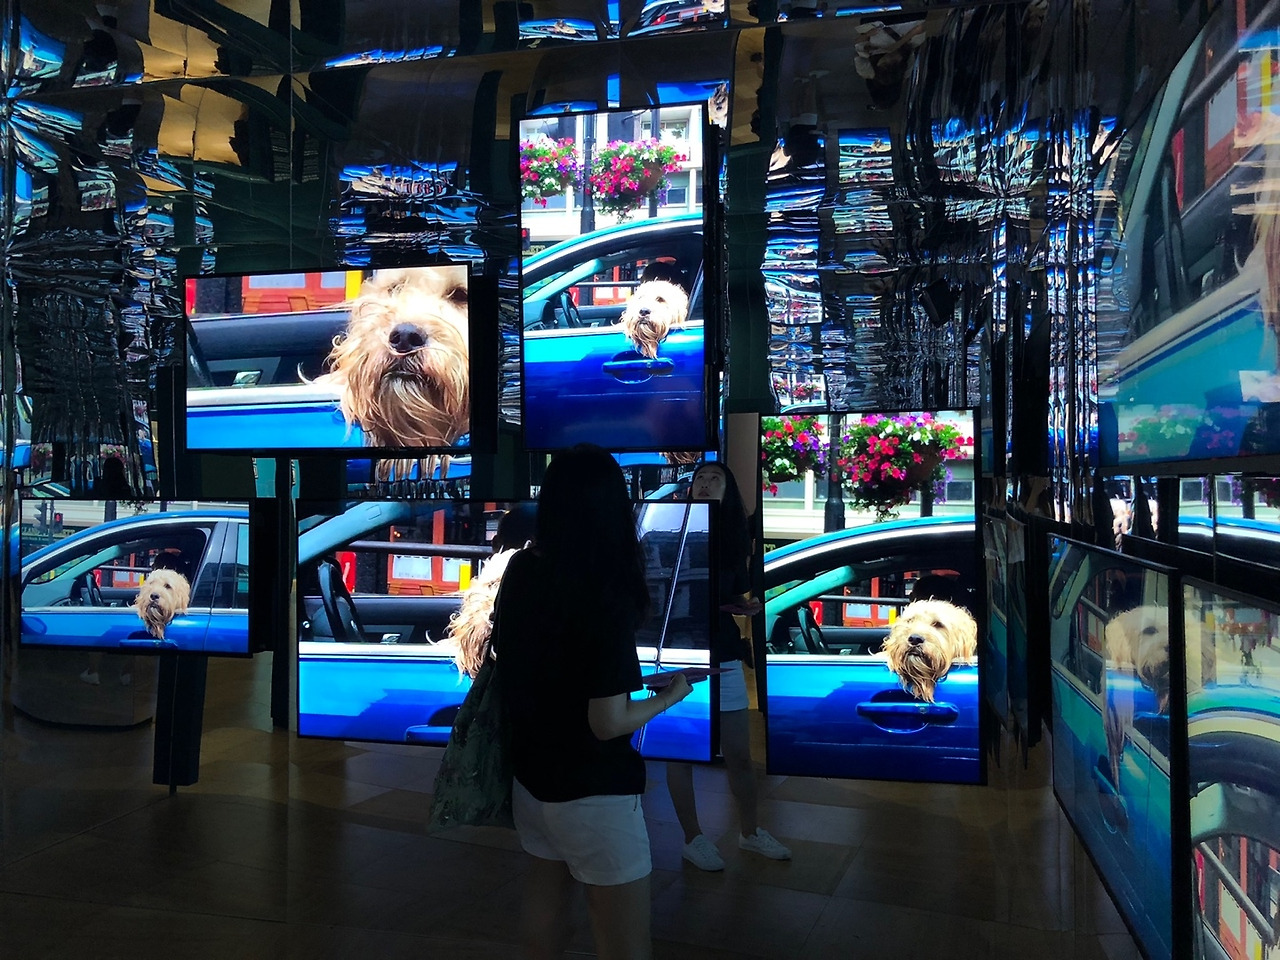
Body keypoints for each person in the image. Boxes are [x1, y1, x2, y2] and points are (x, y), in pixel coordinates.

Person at [495, 445, 693, 960]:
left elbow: (542, 666)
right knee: (623, 943)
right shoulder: (603, 590)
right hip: (594, 792)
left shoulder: (522, 569)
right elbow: (608, 722)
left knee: (545, 916)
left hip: (532, 781)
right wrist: (671, 695)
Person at [667, 461, 792, 871]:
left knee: (739, 752)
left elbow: (732, 593)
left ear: (728, 490)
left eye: (714, 479)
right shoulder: (671, 529)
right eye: (700, 478)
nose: (705, 484)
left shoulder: (736, 538)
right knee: (681, 751)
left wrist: (744, 606)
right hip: (681, 651)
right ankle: (693, 838)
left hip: (722, 650)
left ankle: (750, 832)